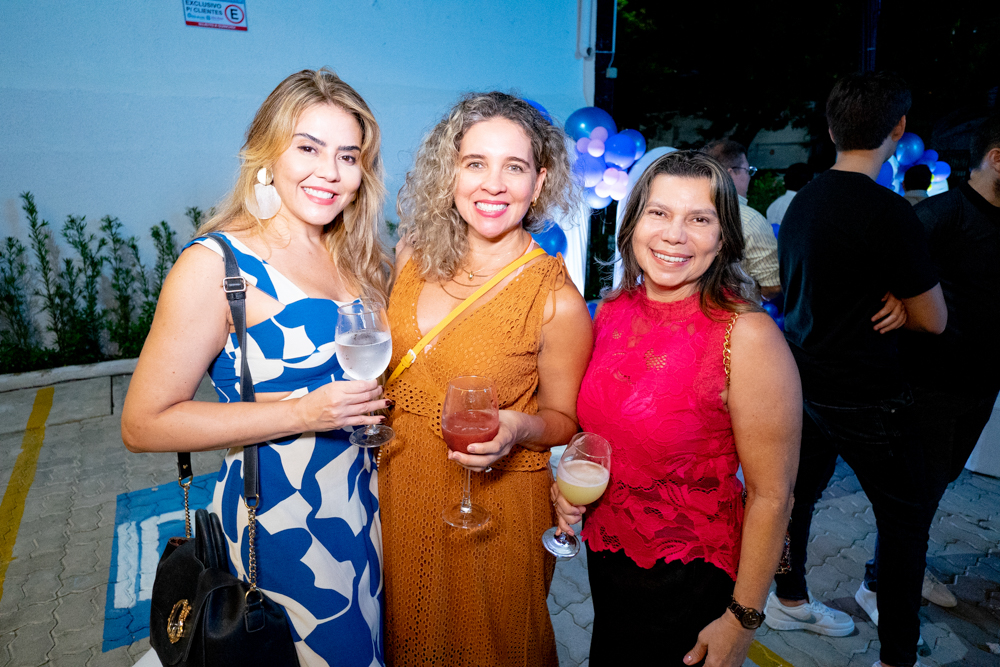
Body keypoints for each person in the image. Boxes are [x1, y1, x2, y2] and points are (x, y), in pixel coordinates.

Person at [121, 68, 392, 667]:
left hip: (357, 513)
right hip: (271, 523)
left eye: (349, 155)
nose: (330, 171)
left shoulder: (357, 257)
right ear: (267, 152)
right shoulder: (217, 264)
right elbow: (143, 424)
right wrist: (303, 411)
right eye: (308, 148)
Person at [553, 150, 800, 667]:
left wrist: (742, 619)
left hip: (690, 576)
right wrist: (566, 483)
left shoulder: (746, 335)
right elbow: (594, 429)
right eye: (659, 213)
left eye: (700, 219)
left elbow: (773, 495)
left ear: (724, 237)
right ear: (633, 222)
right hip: (609, 557)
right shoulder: (611, 311)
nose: (674, 235)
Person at [379, 92, 593, 666]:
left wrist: (518, 426)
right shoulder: (414, 256)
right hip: (396, 490)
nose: (493, 184)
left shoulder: (555, 299)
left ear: (540, 181)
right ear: (451, 171)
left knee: (489, 647)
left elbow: (564, 421)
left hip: (491, 507)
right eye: (476, 163)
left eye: (514, 167)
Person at [768, 71, 947, 667]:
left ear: (829, 128)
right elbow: (936, 320)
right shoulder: (889, 212)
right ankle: (897, 655)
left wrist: (897, 296)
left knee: (800, 496)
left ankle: (788, 597)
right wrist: (905, 301)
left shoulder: (801, 203)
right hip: (866, 393)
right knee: (905, 519)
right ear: (898, 129)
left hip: (806, 380)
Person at [880, 113, 1000, 609]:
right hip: (931, 384)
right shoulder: (943, 214)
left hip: (980, 384)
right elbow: (887, 271)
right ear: (996, 159)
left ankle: (893, 573)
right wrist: (892, 303)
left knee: (940, 483)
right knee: (918, 494)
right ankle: (883, 583)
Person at [701, 140, 781, 299]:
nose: (749, 177)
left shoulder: (683, 212)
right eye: (748, 170)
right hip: (735, 318)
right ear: (731, 173)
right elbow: (772, 286)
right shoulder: (750, 220)